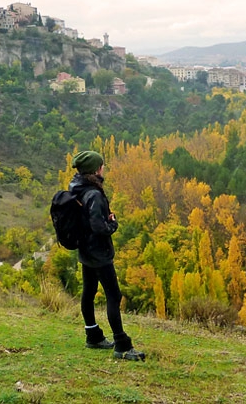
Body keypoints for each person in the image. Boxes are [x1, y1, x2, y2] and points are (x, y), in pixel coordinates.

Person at [67, 151, 145, 361]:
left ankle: (93, 335)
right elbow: (99, 227)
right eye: (102, 166)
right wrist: (113, 223)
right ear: (96, 169)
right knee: (114, 295)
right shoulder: (93, 193)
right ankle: (122, 345)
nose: (104, 169)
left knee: (89, 291)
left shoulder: (76, 187)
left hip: (85, 249)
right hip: (98, 252)